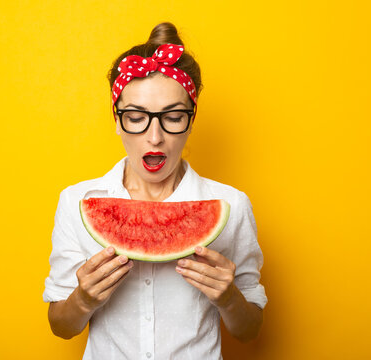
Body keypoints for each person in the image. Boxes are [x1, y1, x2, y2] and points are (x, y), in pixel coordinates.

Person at [43, 22, 268, 359]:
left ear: (191, 121)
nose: (154, 137)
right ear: (116, 120)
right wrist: (83, 299)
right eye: (136, 116)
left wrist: (230, 298)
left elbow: (250, 330)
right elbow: (61, 326)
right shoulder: (77, 202)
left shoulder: (231, 206)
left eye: (173, 116)